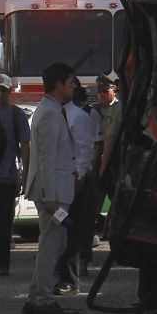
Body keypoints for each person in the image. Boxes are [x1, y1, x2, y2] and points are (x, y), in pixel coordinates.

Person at [22, 63, 78, 314]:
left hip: (53, 192)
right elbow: (46, 158)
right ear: (59, 84)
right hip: (52, 194)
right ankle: (43, 300)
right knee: (51, 245)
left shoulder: (50, 111)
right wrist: (51, 198)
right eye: (71, 82)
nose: (75, 86)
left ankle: (36, 297)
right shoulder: (50, 114)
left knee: (54, 243)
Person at [54, 77, 94, 295]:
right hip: (58, 182)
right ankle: (59, 275)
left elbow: (85, 149)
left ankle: (69, 280)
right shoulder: (53, 113)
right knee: (58, 227)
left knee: (71, 229)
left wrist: (79, 176)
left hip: (73, 181)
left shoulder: (77, 116)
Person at [0, 74, 30, 275]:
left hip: (7, 179)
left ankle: (3, 264)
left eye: (3, 90)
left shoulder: (17, 115)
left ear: (10, 91)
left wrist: (24, 177)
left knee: (4, 223)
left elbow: (25, 148)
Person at [96, 74, 121, 176]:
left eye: (105, 91)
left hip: (116, 158)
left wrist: (103, 168)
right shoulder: (100, 109)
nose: (101, 94)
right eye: (99, 91)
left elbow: (109, 140)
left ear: (114, 92)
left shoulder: (114, 109)